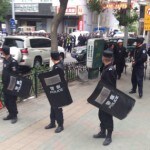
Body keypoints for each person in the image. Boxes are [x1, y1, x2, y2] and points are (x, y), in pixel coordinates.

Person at [93, 50, 117, 146]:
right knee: (101, 115)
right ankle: (103, 132)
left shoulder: (110, 70)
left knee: (107, 116)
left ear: (103, 58)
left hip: (107, 97)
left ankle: (109, 136)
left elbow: (110, 86)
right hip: (103, 95)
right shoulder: (107, 68)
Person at [45, 51, 64, 133]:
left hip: (58, 91)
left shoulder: (58, 67)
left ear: (52, 58)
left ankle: (60, 125)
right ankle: (52, 123)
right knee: (53, 107)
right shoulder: (58, 64)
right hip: (54, 90)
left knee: (58, 108)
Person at [1, 46, 19, 124]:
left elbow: (15, 74)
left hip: (11, 85)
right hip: (5, 84)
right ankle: (10, 114)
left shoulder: (13, 61)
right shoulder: (5, 60)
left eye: (2, 51)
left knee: (12, 101)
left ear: (4, 52)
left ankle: (14, 115)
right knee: (6, 101)